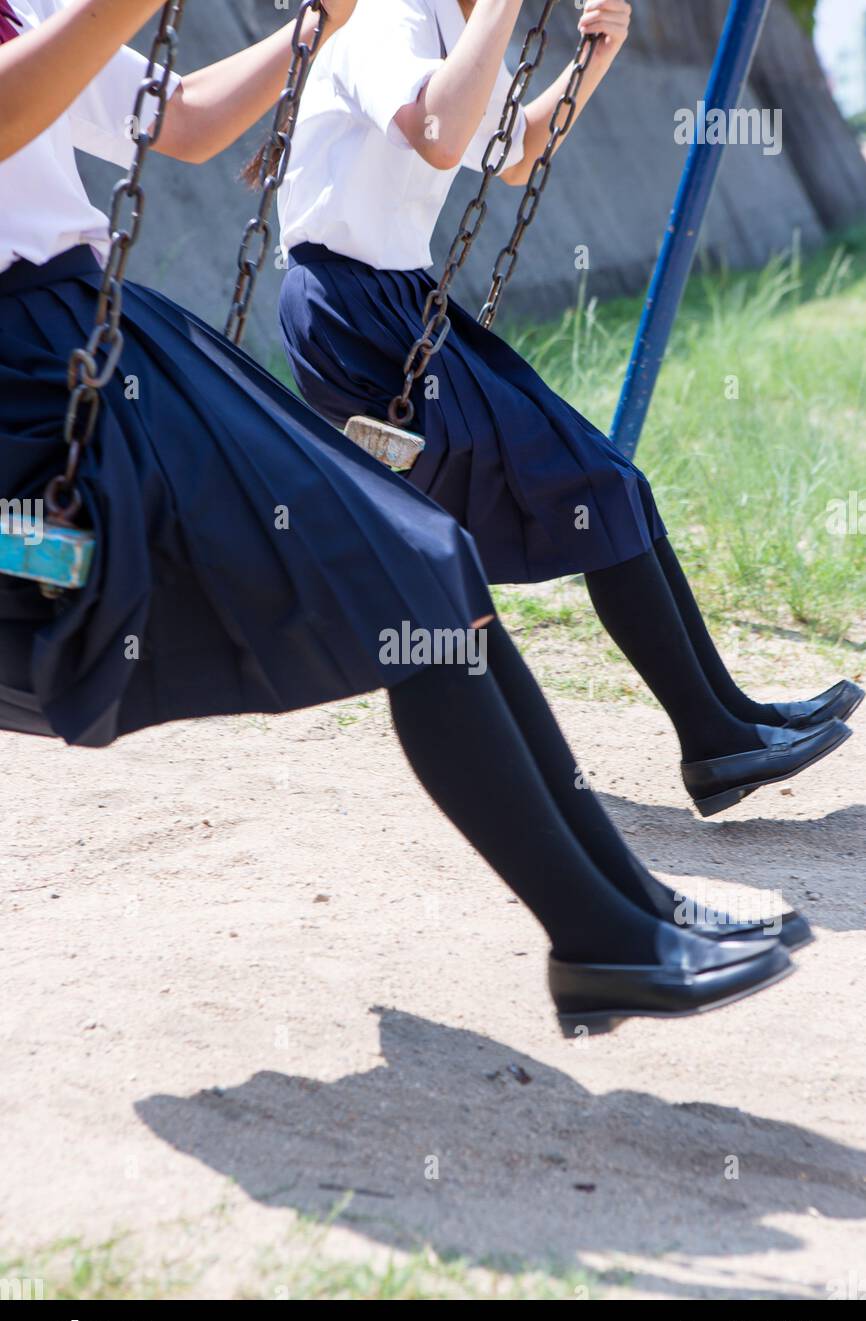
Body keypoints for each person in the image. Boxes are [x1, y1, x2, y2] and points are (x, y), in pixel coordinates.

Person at [0, 0, 803, 1035]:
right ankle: (602, 936)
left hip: (104, 336)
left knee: (435, 557)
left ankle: (623, 905)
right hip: (33, 375)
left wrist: (311, 20)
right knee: (406, 574)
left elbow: (187, 120)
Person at [273, 0, 862, 819]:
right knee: (586, 482)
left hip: (397, 298)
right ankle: (714, 739)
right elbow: (442, 135)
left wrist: (598, 53)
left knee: (614, 479)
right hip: (354, 308)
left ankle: (731, 716)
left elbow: (512, 152)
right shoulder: (389, 21)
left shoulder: (448, 28)